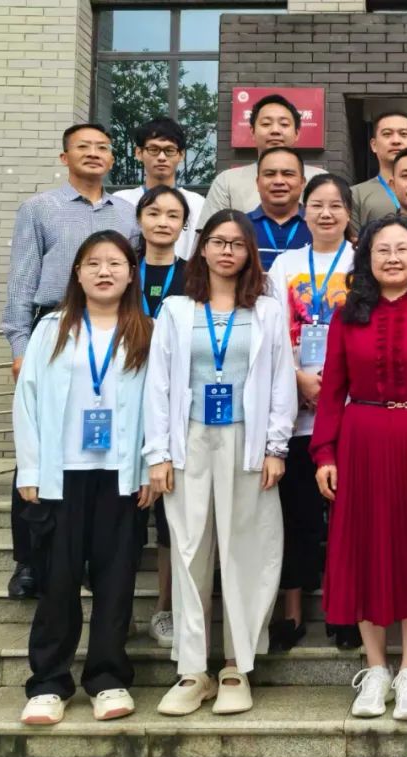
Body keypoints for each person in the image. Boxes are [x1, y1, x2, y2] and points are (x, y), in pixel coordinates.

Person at [310, 214, 407, 722]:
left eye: (403, 249)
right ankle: (376, 669)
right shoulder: (347, 315)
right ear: (368, 258)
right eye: (383, 250)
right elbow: (332, 391)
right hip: (361, 441)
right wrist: (324, 452)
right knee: (364, 548)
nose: (393, 258)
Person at [145, 210, 297, 717]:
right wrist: (158, 454)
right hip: (189, 440)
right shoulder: (175, 310)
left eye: (237, 243)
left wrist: (276, 447)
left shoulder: (267, 310)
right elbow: (158, 385)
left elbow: (280, 381)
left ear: (250, 252)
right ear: (202, 248)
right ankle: (193, 670)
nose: (227, 251)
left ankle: (235, 666)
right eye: (218, 241)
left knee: (247, 550)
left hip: (247, 442)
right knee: (189, 552)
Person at [14, 231, 154, 725]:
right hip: (61, 474)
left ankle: (108, 679)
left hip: (121, 475)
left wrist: (148, 467)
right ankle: (49, 683)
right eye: (93, 263)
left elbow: (156, 406)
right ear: (77, 273)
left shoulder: (146, 330)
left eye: (115, 263)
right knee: (58, 580)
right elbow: (27, 400)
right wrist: (30, 468)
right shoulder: (51, 328)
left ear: (131, 274)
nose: (104, 271)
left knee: (116, 582)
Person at [2, 122, 138, 601]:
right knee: (38, 446)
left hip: (110, 326)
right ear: (65, 157)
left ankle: (92, 556)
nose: (94, 153)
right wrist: (20, 346)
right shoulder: (39, 208)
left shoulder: (128, 214)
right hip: (53, 328)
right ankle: (29, 560)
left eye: (103, 147)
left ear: (112, 158)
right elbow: (22, 280)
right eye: (83, 147)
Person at [267, 174, 360, 652]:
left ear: (348, 213)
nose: (326, 213)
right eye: (317, 205)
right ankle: (293, 609)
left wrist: (336, 382)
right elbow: (271, 331)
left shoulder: (362, 262)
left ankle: (347, 610)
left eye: (335, 205)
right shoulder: (284, 265)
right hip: (296, 407)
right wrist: (298, 378)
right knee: (297, 513)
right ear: (304, 212)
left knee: (349, 517)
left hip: (350, 407)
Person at [134, 185, 192, 649]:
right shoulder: (119, 269)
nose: (163, 222)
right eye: (154, 213)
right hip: (122, 396)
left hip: (174, 403)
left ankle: (166, 607)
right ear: (140, 219)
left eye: (173, 215)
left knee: (170, 516)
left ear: (184, 225)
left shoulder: (194, 276)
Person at [199, 93, 326, 223]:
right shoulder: (227, 181)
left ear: (297, 133)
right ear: (252, 132)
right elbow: (209, 233)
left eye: (284, 124)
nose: (275, 130)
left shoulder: (321, 180)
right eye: (266, 124)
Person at [114, 118, 204, 260]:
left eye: (169, 150)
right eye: (153, 150)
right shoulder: (120, 201)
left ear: (181, 155)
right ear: (138, 153)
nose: (162, 157)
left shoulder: (198, 203)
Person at [350, 110, 407, 233]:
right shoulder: (355, 195)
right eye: (387, 134)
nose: (396, 141)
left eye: (403, 134)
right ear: (374, 145)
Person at [249, 146, 311, 271]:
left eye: (288, 174)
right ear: (257, 182)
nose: (278, 181)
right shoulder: (239, 227)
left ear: (302, 183)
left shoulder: (320, 227)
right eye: (269, 174)